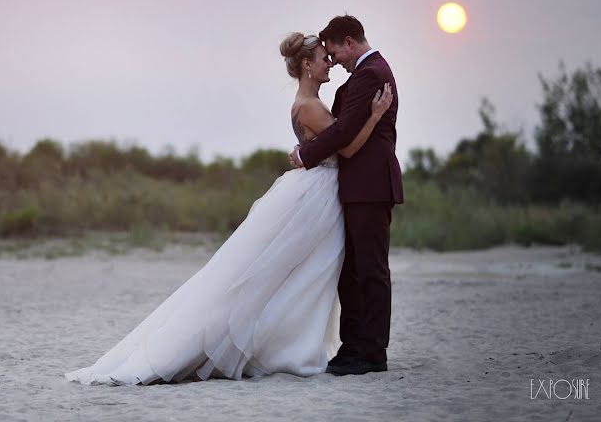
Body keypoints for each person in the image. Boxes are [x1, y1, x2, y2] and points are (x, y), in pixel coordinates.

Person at [64, 32, 392, 385]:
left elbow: (333, 140)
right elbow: (343, 147)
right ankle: (286, 345)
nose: (330, 62)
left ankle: (307, 343)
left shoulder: (309, 101)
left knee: (307, 273)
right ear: (307, 65)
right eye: (323, 58)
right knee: (295, 272)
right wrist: (375, 116)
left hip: (321, 190)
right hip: (319, 193)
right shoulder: (309, 106)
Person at [290, 14, 403, 376]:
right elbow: (343, 129)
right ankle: (354, 346)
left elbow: (346, 134)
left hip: (370, 184)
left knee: (370, 270)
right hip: (358, 185)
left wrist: (304, 154)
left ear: (349, 42)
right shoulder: (364, 77)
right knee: (353, 271)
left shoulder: (371, 74)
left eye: (335, 51)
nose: (334, 59)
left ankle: (371, 352)